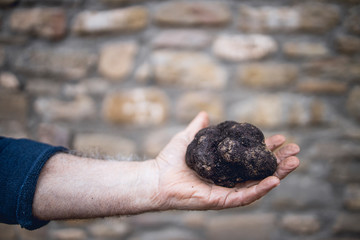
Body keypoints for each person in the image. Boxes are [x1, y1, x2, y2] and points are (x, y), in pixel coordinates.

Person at [0, 112, 300, 230]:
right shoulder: (213, 148)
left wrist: (153, 180)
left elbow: (8, 166)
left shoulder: (236, 143)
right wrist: (156, 180)